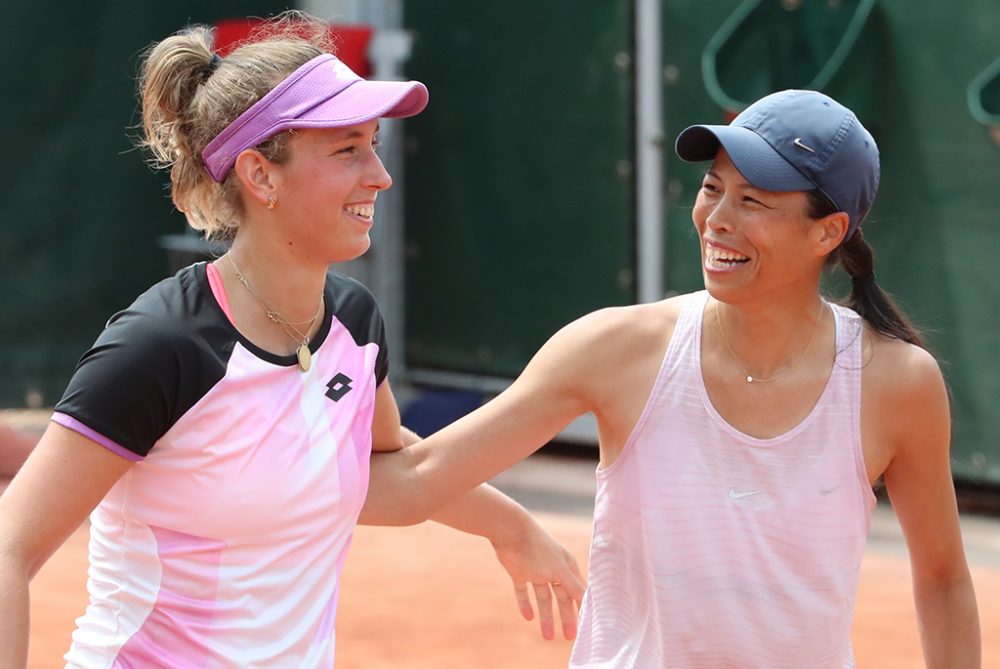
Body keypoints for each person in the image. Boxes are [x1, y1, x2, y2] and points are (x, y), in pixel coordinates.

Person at [0, 13, 584, 668]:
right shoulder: (158, 347)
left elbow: (392, 475)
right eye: (346, 150)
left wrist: (512, 526)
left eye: (374, 143)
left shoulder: (354, 325)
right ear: (261, 174)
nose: (379, 175)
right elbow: (11, 544)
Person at [362, 89, 982, 667]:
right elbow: (414, 482)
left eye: (754, 201)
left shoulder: (897, 382)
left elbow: (944, 578)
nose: (717, 219)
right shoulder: (613, 348)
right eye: (713, 188)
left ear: (828, 231)